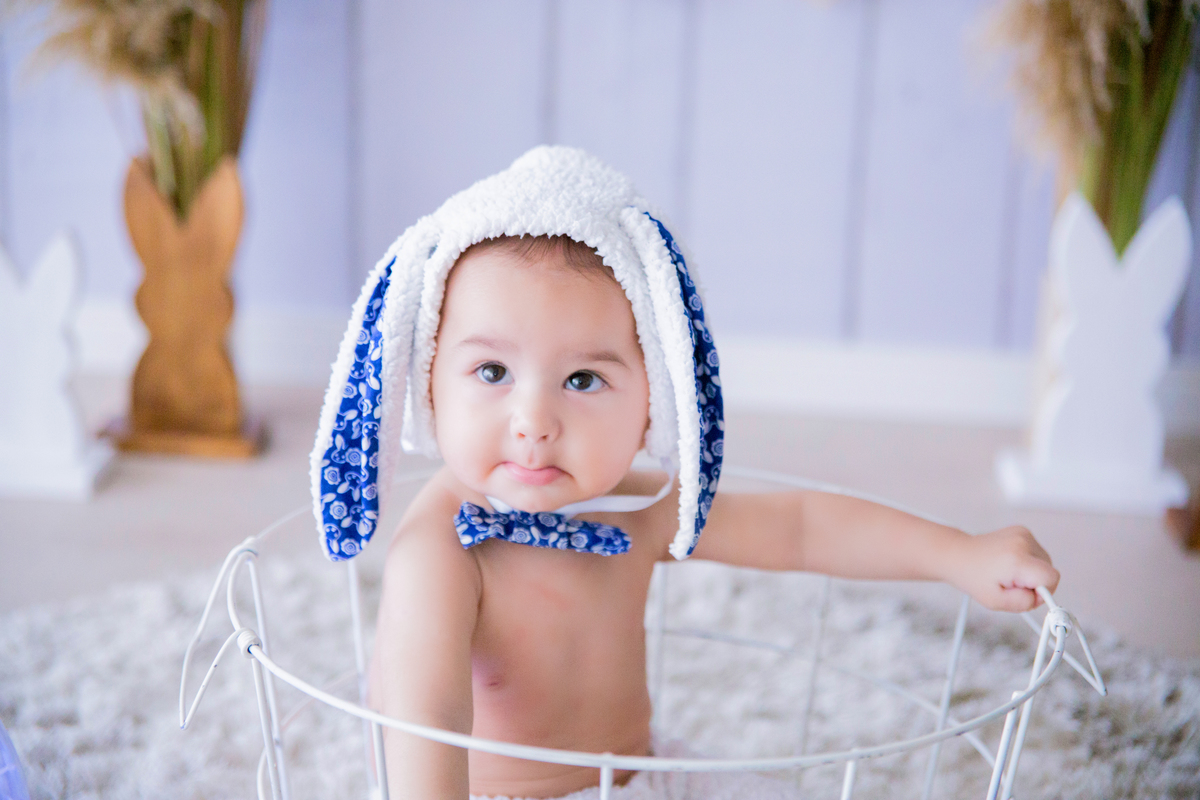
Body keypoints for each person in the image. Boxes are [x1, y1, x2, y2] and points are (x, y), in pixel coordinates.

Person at [310, 147, 1059, 800]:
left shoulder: (634, 508)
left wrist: (959, 554)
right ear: (428, 382)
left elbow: (799, 529)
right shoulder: (441, 551)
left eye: (582, 381)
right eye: (493, 370)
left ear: (654, 405)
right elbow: (424, 720)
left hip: (642, 779)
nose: (534, 420)